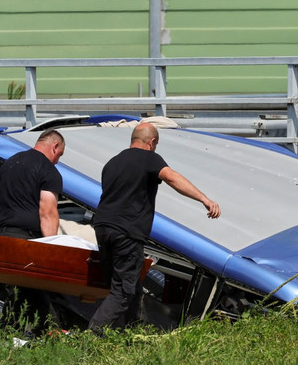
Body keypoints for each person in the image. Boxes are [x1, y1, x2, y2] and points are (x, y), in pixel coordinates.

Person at [88, 122, 221, 332]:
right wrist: (204, 199)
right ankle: (93, 335)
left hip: (103, 228)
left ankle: (134, 332)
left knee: (130, 285)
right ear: (152, 142)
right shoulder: (149, 158)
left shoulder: (112, 163)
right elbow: (172, 177)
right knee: (122, 290)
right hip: (126, 231)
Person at [0, 130, 66, 239]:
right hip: (24, 240)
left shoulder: (11, 162)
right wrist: (52, 247)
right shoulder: (49, 171)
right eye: (59, 155)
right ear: (55, 147)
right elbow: (47, 213)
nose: (56, 161)